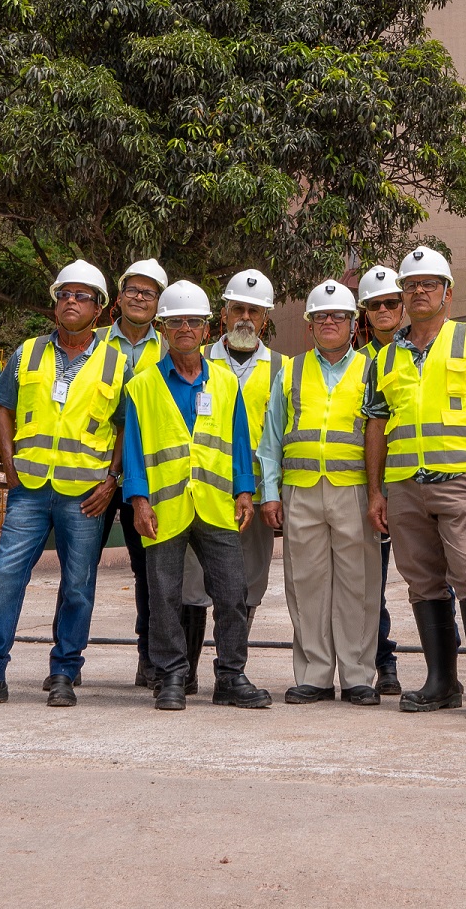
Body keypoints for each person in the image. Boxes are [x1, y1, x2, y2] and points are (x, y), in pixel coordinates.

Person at [0, 259, 128, 708]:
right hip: (29, 488)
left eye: (81, 296)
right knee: (6, 577)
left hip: (86, 495)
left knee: (77, 584)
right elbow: (1, 410)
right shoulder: (27, 353)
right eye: (64, 294)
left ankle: (65, 671)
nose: (70, 301)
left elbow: (126, 426)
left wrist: (113, 479)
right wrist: (9, 466)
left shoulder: (117, 363)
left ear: (99, 309)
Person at [363, 246, 466, 718]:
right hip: (406, 487)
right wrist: (376, 491)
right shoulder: (386, 358)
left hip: (462, 484)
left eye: (428, 284)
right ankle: (440, 682)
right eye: (411, 286)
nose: (418, 292)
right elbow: (375, 425)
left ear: (447, 293)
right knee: (421, 582)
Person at [121, 280, 271, 710]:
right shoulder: (143, 384)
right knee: (164, 596)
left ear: (207, 329)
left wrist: (245, 489)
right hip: (163, 509)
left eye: (193, 321)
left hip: (216, 504)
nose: (184, 328)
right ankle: (170, 677)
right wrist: (138, 500)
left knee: (232, 594)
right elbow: (133, 446)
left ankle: (231, 677)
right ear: (164, 329)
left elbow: (239, 440)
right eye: (175, 321)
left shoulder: (225, 383)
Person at [259, 280, 382, 705]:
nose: (330, 321)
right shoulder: (290, 370)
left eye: (340, 315)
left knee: (358, 584)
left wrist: (379, 494)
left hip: (355, 493)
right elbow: (271, 438)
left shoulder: (372, 369)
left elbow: (382, 435)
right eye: (321, 316)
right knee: (305, 583)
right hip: (301, 492)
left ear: (354, 324)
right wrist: (270, 493)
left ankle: (358, 676)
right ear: (309, 325)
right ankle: (313, 673)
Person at [185, 269, 281, 664]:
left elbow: (280, 437)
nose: (245, 317)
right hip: (200, 491)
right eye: (238, 308)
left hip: (256, 495)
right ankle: (184, 670)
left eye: (254, 311)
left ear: (265, 319)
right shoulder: (197, 360)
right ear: (223, 314)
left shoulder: (281, 368)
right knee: (192, 580)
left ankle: (231, 667)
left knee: (249, 580)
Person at [104, 258, 169, 688]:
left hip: (143, 476)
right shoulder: (94, 344)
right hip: (93, 473)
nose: (140, 298)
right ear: (120, 295)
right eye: (133, 290)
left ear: (158, 303)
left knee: (148, 570)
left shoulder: (170, 348)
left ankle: (150, 657)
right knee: (78, 570)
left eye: (149, 293)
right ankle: (65, 663)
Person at [356, 263, 407, 696]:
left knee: (438, 582)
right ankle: (383, 661)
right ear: (365, 313)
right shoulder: (357, 363)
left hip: (420, 482)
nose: (384, 309)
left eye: (391, 302)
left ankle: (444, 668)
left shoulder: (422, 350)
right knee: (373, 582)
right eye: (375, 305)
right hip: (374, 489)